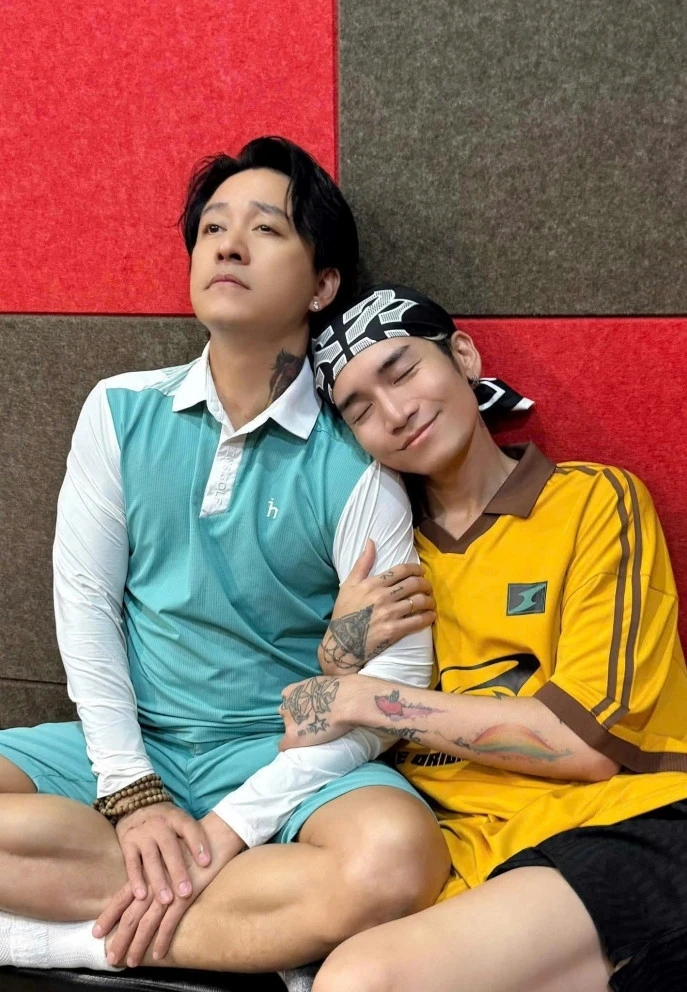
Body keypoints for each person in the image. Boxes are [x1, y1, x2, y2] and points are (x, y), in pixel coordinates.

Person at [0, 148, 450, 981]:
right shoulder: (120, 410)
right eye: (212, 228)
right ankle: (260, 929)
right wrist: (131, 789)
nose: (228, 245)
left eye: (265, 230)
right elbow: (86, 605)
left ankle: (63, 941)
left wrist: (231, 827)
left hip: (281, 756)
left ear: (321, 284)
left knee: (398, 860)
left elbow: (396, 680)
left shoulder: (359, 459)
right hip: (136, 743)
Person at [278, 284, 687, 992]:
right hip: (457, 862)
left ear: (463, 357)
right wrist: (338, 651)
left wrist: (364, 697)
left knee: (361, 981)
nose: (395, 413)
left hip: (623, 824)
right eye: (359, 409)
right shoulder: (375, 559)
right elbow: (303, 734)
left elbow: (582, 744)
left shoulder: (592, 502)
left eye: (403, 371)